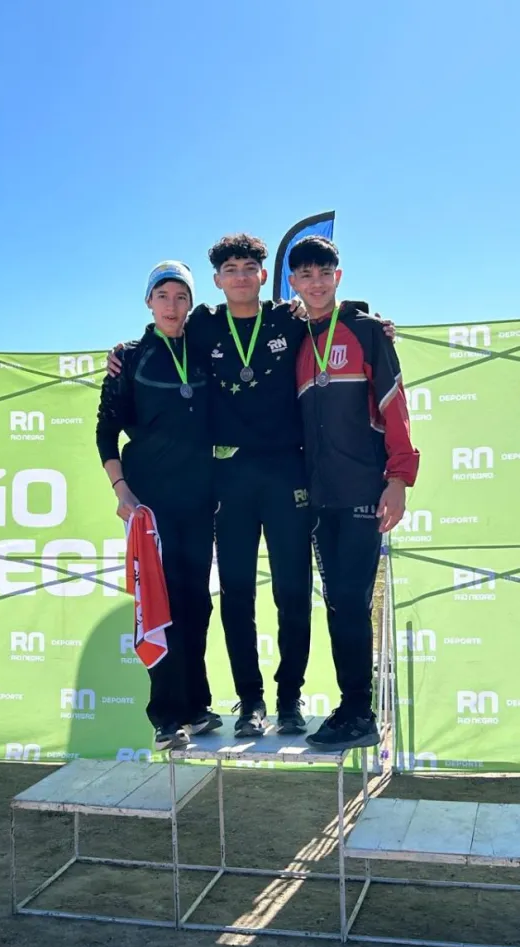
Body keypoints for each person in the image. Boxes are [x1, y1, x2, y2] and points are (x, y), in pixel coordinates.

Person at [107, 234, 397, 739]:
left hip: (289, 473)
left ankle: (289, 698)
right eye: (230, 269)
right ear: (217, 281)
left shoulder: (289, 317)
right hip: (230, 476)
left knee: (292, 592)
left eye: (249, 268)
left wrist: (377, 323)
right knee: (236, 594)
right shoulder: (203, 324)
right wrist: (123, 354)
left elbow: (337, 312)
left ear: (265, 275)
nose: (240, 276)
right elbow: (162, 329)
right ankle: (251, 702)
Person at [289, 235, 420, 750]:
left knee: (350, 597)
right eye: (305, 275)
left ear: (337, 277)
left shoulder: (366, 332)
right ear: (294, 283)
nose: (316, 283)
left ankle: (358, 711)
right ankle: (352, 707)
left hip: (365, 489)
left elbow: (395, 408)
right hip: (320, 500)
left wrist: (398, 480)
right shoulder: (297, 340)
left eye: (325, 273)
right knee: (340, 606)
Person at [95, 261, 220, 751]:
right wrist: (121, 490)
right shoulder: (130, 356)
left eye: (181, 296)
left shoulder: (207, 347)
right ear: (148, 301)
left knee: (198, 603)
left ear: (191, 302)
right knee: (159, 607)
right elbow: (106, 430)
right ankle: (166, 716)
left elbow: (255, 312)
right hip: (151, 502)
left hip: (200, 497)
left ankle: (196, 705)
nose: (172, 305)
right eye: (163, 295)